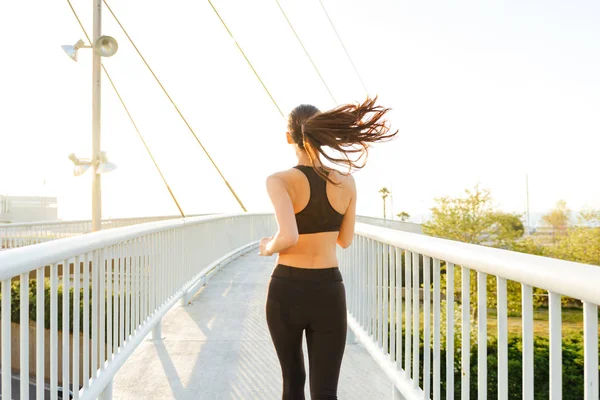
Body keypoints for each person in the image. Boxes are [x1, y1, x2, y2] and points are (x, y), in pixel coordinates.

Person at [258, 97, 398, 400]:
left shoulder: (279, 181)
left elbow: (288, 237)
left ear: (288, 137)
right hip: (328, 291)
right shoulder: (346, 182)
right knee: (326, 393)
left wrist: (268, 247)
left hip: (286, 290)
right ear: (323, 136)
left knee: (293, 384)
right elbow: (345, 240)